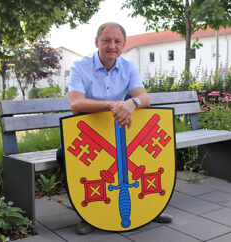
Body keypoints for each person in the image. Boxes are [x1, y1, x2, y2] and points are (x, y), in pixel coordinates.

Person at [57, 22, 172, 235]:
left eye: (117, 41)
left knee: (148, 158)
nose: (112, 45)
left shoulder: (128, 67)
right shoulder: (80, 67)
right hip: (88, 136)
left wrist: (131, 104)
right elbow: (76, 104)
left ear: (124, 44)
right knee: (64, 155)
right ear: (96, 42)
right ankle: (87, 215)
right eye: (106, 40)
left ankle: (151, 209)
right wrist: (112, 105)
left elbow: (143, 97)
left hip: (120, 134)